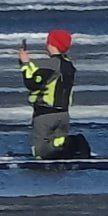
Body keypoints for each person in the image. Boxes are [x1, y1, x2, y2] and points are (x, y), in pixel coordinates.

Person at [18, 30, 91, 159]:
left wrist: (24, 63)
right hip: (63, 114)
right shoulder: (68, 65)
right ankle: (65, 143)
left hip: (45, 115)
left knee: (40, 152)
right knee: (57, 152)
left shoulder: (51, 64)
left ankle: (72, 141)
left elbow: (32, 83)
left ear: (51, 44)